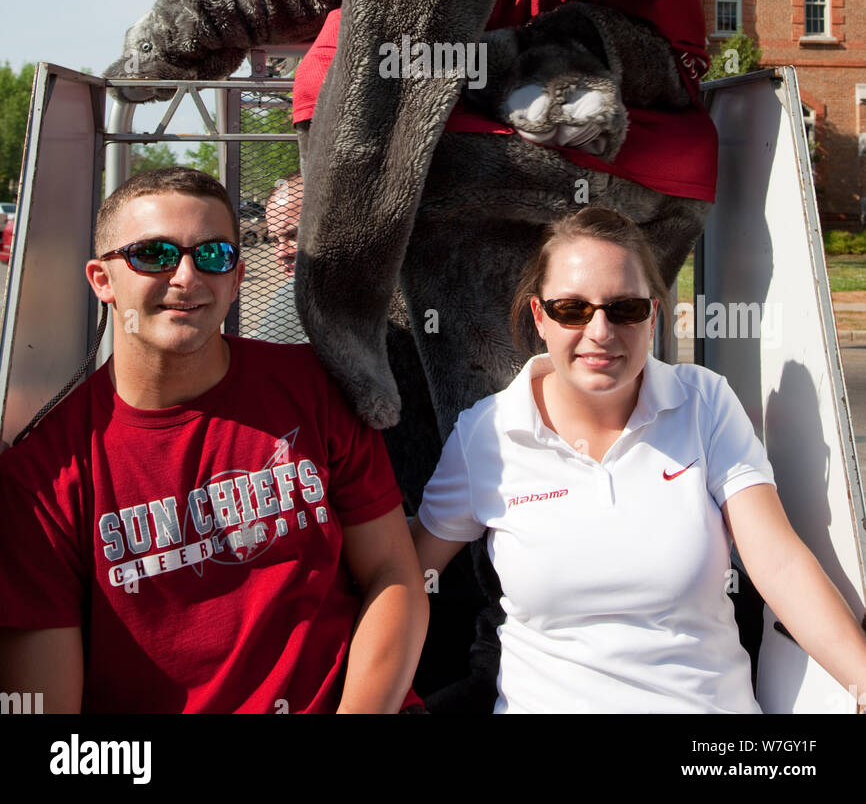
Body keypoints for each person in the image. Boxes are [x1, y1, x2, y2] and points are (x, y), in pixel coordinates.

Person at [0, 167, 428, 714]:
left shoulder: (315, 386)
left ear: (237, 277)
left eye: (213, 255)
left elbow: (394, 575)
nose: (186, 276)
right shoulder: (43, 480)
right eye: (153, 254)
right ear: (102, 280)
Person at [411, 205, 866, 715]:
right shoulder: (488, 433)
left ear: (653, 314)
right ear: (540, 317)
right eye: (572, 309)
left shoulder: (704, 402)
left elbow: (779, 566)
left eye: (624, 308)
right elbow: (406, 576)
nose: (600, 331)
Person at [256, 174, 308, 345]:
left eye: (294, 235)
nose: (281, 253)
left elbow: (260, 358)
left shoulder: (301, 293)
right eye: (275, 241)